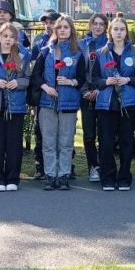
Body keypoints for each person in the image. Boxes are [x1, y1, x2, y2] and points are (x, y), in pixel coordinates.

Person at [32, 16, 86, 190]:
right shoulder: (46, 51)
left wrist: (70, 82)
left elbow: (82, 78)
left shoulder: (77, 53)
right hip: (47, 102)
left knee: (65, 142)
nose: (62, 30)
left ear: (71, 30)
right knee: (48, 141)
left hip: (68, 103)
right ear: (55, 30)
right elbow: (36, 75)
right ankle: (50, 175)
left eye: (66, 27)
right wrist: (46, 88)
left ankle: (63, 176)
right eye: (59, 27)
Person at [94, 17, 135, 191]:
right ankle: (108, 177)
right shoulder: (100, 53)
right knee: (106, 142)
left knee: (126, 142)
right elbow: (94, 79)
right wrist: (105, 81)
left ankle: (124, 177)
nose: (119, 32)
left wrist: (128, 79)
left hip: (128, 104)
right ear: (110, 32)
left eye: (122, 29)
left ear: (126, 32)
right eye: (116, 29)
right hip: (106, 105)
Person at [0, 22, 32, 192]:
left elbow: (27, 79)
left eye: (12, 37)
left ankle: (12, 178)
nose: (8, 40)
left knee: (13, 144)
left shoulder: (23, 55)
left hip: (15, 105)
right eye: (5, 36)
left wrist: (17, 83)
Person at [28, 10, 61, 175]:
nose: (48, 25)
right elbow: (34, 66)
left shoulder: (66, 39)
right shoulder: (39, 41)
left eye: (51, 22)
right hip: (42, 92)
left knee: (62, 130)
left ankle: (63, 167)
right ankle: (41, 166)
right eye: (45, 22)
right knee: (40, 129)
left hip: (62, 92)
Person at [79, 13, 109, 182]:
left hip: (104, 94)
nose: (98, 27)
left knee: (105, 134)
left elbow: (110, 71)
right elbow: (78, 71)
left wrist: (99, 90)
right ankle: (93, 166)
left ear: (106, 27)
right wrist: (85, 91)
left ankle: (105, 165)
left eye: (101, 24)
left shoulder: (109, 44)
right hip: (85, 95)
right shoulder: (82, 45)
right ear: (90, 25)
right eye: (95, 24)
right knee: (89, 134)